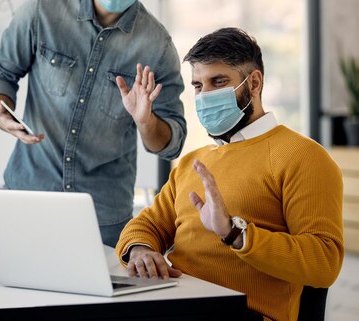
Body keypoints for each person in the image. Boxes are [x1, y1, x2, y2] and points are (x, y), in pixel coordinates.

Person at [0, 0, 186, 248]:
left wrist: (146, 121)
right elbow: (1, 74)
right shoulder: (41, 11)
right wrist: (0, 110)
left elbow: (172, 142)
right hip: (26, 198)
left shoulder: (157, 46)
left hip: (104, 217)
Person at [115, 27, 344, 321]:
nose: (205, 95)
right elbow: (146, 225)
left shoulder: (303, 156)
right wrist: (140, 251)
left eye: (218, 82)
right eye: (198, 86)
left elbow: (324, 264)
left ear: (255, 82)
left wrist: (234, 232)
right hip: (173, 302)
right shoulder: (192, 163)